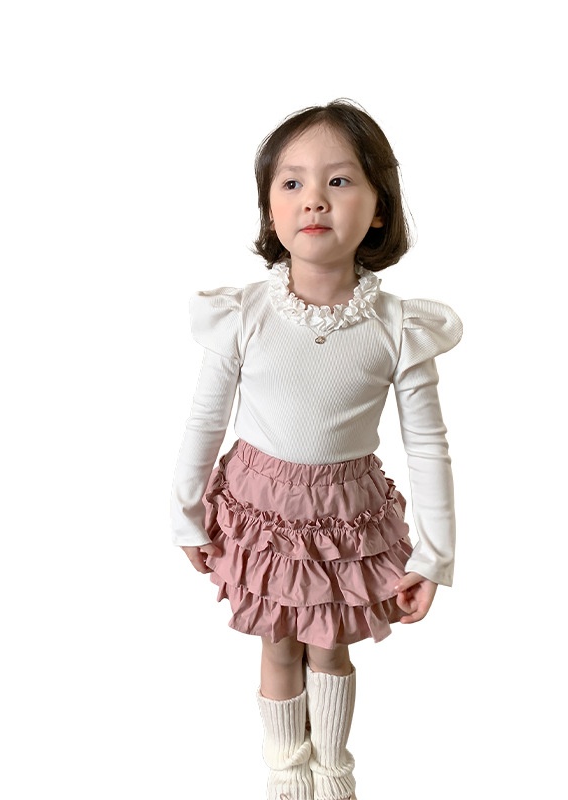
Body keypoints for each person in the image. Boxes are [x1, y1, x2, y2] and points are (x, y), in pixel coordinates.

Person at [171, 99, 462, 800]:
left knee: (330, 647)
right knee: (278, 643)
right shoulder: (242, 314)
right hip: (261, 512)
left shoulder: (397, 328)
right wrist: (185, 513)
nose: (314, 200)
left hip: (344, 517)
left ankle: (333, 770)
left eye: (339, 181)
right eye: (292, 182)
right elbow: (205, 419)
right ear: (270, 208)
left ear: (379, 208)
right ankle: (284, 773)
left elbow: (428, 444)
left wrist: (435, 555)